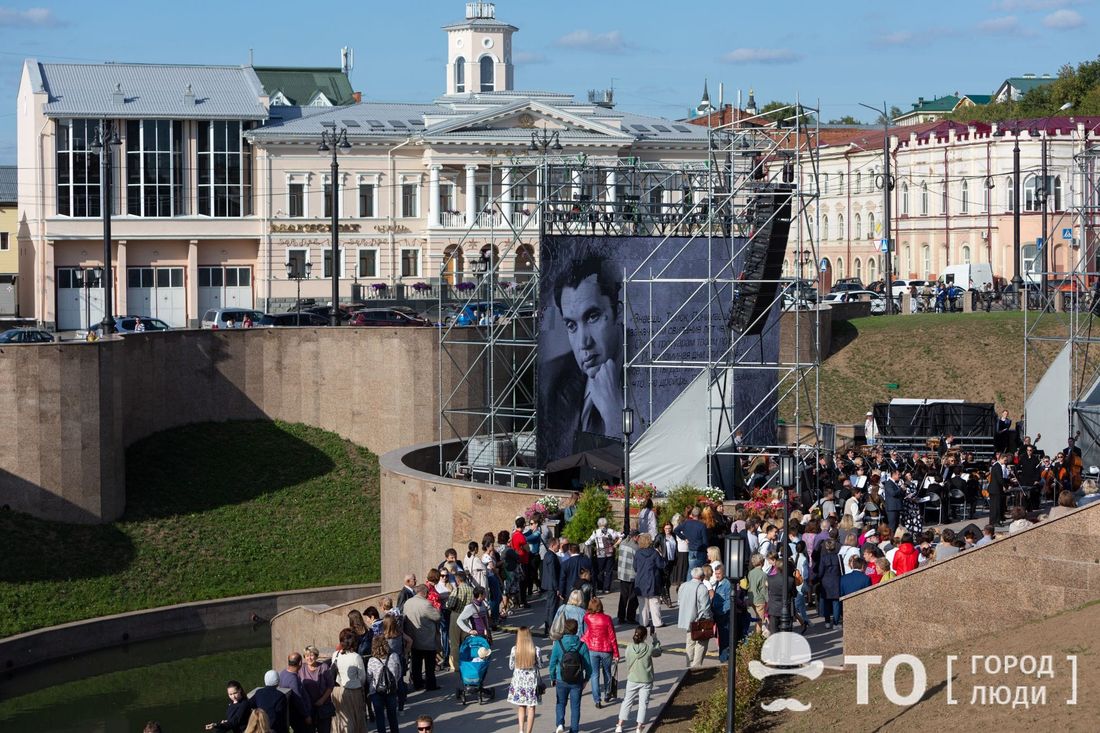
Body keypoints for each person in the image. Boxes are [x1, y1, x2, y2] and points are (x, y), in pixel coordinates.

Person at [540, 255, 625, 463]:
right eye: (571, 325)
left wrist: (616, 418)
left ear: (619, 313)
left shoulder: (652, 370)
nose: (583, 342)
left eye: (593, 317)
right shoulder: (551, 380)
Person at [614, 626, 662, 733]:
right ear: (645, 636)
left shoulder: (629, 647)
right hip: (646, 680)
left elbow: (628, 659)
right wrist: (655, 639)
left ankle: (619, 725)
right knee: (643, 704)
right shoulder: (649, 648)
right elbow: (658, 652)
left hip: (632, 679)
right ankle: (639, 727)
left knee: (627, 701)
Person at [549, 618, 592, 733]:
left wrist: (552, 678)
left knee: (560, 703)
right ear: (576, 629)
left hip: (561, 679)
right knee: (575, 706)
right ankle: (574, 729)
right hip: (577, 680)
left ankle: (560, 724)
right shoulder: (582, 645)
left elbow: (552, 663)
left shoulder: (558, 644)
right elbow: (589, 666)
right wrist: (586, 679)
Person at [581, 597, 619, 708]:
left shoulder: (588, 618)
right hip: (606, 649)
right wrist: (616, 653)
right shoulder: (607, 619)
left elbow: (586, 623)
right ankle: (607, 693)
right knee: (607, 672)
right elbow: (612, 637)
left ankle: (597, 700)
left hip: (593, 648)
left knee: (594, 675)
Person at [402, 584, 442, 692]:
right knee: (429, 665)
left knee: (416, 664)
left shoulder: (408, 602)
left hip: (413, 638)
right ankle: (431, 685)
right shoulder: (426, 604)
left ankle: (418, 684)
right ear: (424, 593)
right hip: (426, 638)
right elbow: (437, 617)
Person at [507, 626, 544, 733]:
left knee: (521, 706)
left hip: (519, 682)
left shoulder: (514, 650)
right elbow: (541, 665)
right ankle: (529, 732)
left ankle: (521, 730)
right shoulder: (536, 650)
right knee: (531, 708)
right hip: (531, 682)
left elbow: (511, 666)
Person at [330, 629, 367, 733]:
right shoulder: (356, 657)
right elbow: (362, 677)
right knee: (354, 719)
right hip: (353, 691)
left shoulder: (335, 654)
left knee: (341, 719)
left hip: (337, 691)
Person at [676, 566, 711, 670]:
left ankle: (689, 664)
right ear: (702, 576)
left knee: (690, 641)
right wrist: (708, 618)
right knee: (701, 642)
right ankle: (696, 666)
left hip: (686, 619)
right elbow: (705, 608)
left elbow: (679, 601)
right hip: (699, 620)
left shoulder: (683, 586)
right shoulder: (702, 588)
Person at [366, 637, 402, 733]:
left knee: (380, 716)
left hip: (376, 691)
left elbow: (369, 677)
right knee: (392, 716)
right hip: (391, 689)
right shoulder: (394, 656)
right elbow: (399, 674)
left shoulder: (372, 661)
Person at [633, 534, 666, 634]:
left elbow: (635, 567)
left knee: (642, 604)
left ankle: (643, 622)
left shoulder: (638, 553)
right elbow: (661, 565)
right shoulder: (654, 553)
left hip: (641, 580)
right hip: (653, 580)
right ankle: (657, 622)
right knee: (654, 602)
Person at [298, 646, 334, 733]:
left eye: (311, 655)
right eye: (307, 656)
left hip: (323, 705)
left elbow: (330, 686)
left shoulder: (324, 667)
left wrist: (322, 700)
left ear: (316, 656)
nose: (309, 658)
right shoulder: (301, 668)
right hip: (308, 708)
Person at [585, 517, 622, 594]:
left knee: (600, 571)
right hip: (610, 553)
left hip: (600, 555)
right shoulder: (610, 531)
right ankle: (607, 589)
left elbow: (588, 542)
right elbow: (621, 535)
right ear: (606, 524)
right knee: (609, 571)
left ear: (598, 524)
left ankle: (600, 588)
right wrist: (615, 545)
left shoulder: (595, 532)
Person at [278, 653, 313, 733]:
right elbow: (298, 700)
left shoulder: (283, 673)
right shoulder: (293, 679)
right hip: (298, 717)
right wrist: (306, 715)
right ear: (300, 663)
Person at [674, 507, 708, 579]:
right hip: (700, 551)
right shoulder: (702, 525)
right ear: (700, 515)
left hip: (691, 550)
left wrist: (684, 538)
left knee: (691, 571)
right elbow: (705, 541)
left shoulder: (686, 523)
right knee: (701, 571)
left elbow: (676, 530)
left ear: (692, 514)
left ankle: (688, 588)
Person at [816, 539, 842, 629]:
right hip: (836, 580)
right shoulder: (838, 557)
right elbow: (841, 570)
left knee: (826, 603)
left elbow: (820, 571)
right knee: (836, 603)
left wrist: (819, 578)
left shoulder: (823, 558)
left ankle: (827, 622)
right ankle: (835, 623)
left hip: (825, 582)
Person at [616, 530, 640, 623]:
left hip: (622, 574)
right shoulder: (636, 547)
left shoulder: (622, 543)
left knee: (623, 597)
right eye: (638, 537)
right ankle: (630, 617)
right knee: (633, 598)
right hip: (632, 575)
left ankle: (621, 617)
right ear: (635, 537)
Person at [541, 536, 564, 637]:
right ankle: (550, 628)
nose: (559, 547)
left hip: (550, 585)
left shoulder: (548, 555)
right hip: (552, 586)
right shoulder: (551, 556)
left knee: (550, 607)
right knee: (552, 607)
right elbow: (553, 573)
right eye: (558, 545)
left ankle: (548, 627)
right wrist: (557, 588)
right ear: (553, 545)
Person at [711, 564, 732, 662]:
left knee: (724, 638)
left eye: (719, 573)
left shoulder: (726, 584)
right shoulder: (717, 583)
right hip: (717, 613)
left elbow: (728, 601)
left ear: (724, 573)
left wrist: (723, 611)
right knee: (720, 637)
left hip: (723, 614)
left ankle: (724, 659)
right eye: (716, 573)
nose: (717, 575)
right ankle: (723, 657)